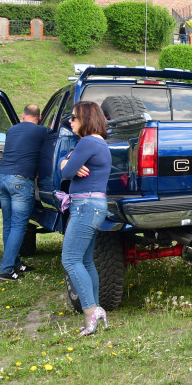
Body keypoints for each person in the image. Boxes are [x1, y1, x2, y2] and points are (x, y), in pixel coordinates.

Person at [59, 101, 112, 335]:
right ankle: (96, 309)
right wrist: (68, 163)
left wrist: (67, 164)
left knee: (70, 260)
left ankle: (90, 312)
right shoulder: (98, 143)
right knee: (86, 260)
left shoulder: (87, 142)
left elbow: (66, 172)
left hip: (85, 205)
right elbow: (68, 167)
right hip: (93, 205)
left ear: (86, 119)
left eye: (74, 118)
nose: (70, 121)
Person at [0, 104, 47, 281]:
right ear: (39, 118)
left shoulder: (11, 130)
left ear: (22, 115)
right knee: (19, 226)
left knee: (8, 224)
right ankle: (6, 269)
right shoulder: (42, 132)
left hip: (3, 178)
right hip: (21, 181)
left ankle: (15, 262)